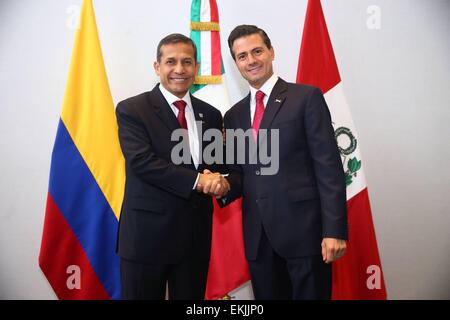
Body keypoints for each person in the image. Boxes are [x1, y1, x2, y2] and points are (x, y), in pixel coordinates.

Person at [217, 25, 348, 299]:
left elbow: (328, 167)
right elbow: (242, 175)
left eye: (256, 51)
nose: (251, 60)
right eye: (242, 56)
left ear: (271, 52)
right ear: (236, 63)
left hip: (306, 235)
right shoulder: (233, 116)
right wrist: (218, 184)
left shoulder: (306, 98)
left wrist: (334, 230)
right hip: (259, 241)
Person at [115, 33, 229, 300]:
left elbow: (216, 166)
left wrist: (222, 181)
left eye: (187, 62)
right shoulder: (132, 110)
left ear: (196, 69)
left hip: (193, 240)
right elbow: (142, 162)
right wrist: (199, 181)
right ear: (157, 67)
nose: (179, 69)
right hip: (146, 240)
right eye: (171, 62)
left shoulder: (211, 115)